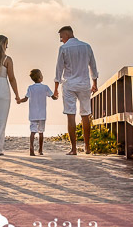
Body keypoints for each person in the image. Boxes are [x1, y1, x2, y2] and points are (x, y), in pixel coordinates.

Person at [52, 26, 98, 155]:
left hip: (69, 85)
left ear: (67, 34)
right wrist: (94, 82)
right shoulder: (86, 46)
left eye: (61, 37)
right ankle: (87, 147)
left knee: (70, 115)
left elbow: (58, 70)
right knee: (85, 114)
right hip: (84, 84)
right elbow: (93, 66)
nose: (61, 40)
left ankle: (73, 149)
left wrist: (55, 89)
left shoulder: (63, 49)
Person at [21, 68, 56, 156]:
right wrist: (57, 96)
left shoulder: (30, 88)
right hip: (42, 114)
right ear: (40, 77)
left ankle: (31, 149)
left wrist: (19, 100)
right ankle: (40, 150)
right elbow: (53, 97)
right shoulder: (45, 87)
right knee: (41, 132)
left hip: (33, 114)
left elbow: (25, 99)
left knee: (32, 131)